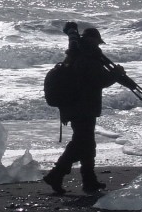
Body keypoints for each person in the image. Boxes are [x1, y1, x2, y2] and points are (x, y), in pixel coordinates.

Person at [42, 25, 127, 194]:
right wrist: (116, 74)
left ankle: (89, 181)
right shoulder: (88, 58)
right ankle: (56, 174)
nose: (98, 46)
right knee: (81, 144)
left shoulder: (77, 56)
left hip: (76, 107)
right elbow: (98, 81)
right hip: (83, 108)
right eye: (97, 42)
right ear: (94, 41)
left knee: (86, 144)